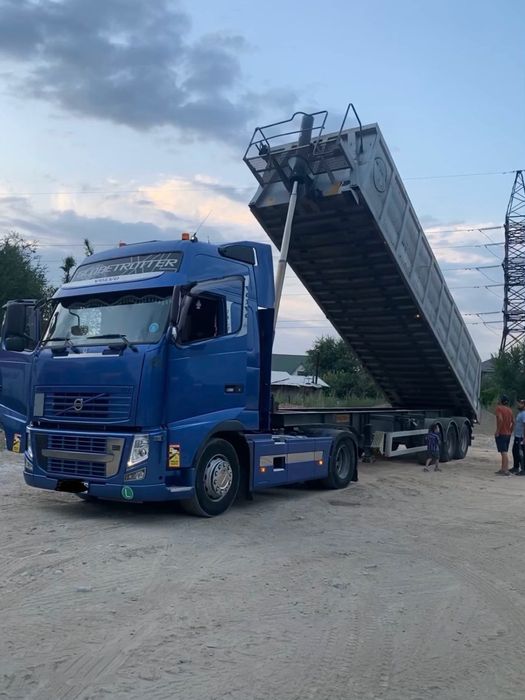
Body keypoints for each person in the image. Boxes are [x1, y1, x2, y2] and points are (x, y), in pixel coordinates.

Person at [495, 395, 514, 476]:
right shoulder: (510, 410)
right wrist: (510, 431)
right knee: (504, 451)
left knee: (503, 452)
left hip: (502, 433)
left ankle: (505, 470)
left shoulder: (499, 408)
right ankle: (503, 469)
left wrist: (498, 431)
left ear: (501, 401)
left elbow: (500, 419)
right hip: (508, 434)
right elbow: (513, 422)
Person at [510, 399, 525, 474]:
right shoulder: (520, 413)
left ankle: (523, 469)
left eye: (521, 403)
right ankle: (516, 467)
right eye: (519, 403)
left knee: (521, 453)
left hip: (521, 437)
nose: (519, 404)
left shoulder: (524, 414)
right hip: (517, 436)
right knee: (515, 451)